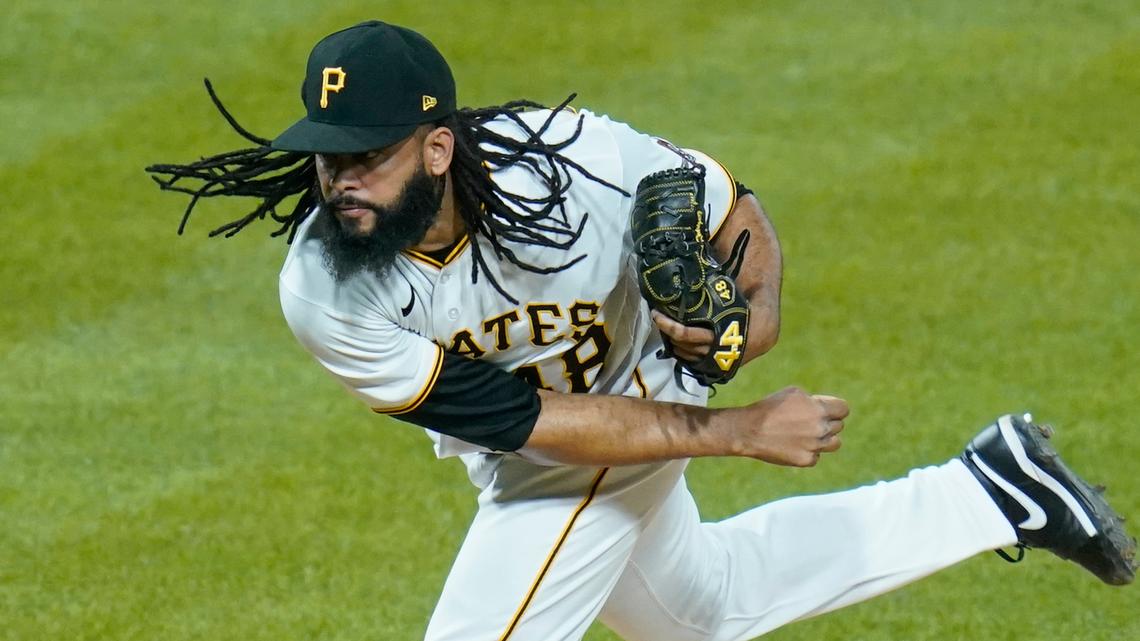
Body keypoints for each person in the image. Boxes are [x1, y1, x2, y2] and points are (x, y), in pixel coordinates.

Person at [147, 20, 1135, 641]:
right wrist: (736, 430)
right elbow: (529, 423)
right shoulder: (325, 290)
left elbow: (731, 206)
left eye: (368, 158)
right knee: (703, 608)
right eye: (329, 159)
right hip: (546, 435)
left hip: (645, 379)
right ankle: (988, 490)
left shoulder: (573, 164)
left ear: (437, 146)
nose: (342, 183)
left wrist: (749, 327)